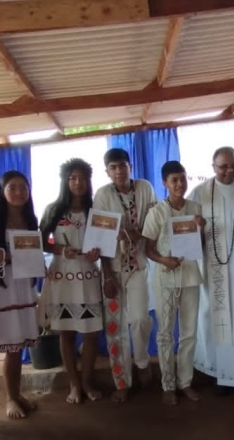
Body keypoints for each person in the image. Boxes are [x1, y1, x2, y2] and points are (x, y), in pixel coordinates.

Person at [187, 146, 234, 394]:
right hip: (213, 269)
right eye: (223, 167)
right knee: (213, 319)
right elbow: (184, 231)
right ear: (213, 167)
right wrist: (196, 228)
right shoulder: (199, 193)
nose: (229, 171)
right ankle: (217, 374)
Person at [38, 158, 104, 405]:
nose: (78, 182)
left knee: (91, 333)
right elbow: (41, 241)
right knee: (66, 333)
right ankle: (74, 385)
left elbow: (105, 242)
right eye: (73, 178)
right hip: (61, 278)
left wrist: (98, 252)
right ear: (65, 181)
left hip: (89, 277)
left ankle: (87, 381)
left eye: (83, 178)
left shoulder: (95, 210)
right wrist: (59, 249)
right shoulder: (53, 210)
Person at [93, 148, 156, 402]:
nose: (119, 171)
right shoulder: (102, 195)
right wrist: (106, 275)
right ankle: (122, 380)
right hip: (113, 268)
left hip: (139, 265)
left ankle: (142, 362)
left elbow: (153, 224)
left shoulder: (145, 188)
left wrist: (133, 233)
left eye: (123, 165)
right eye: (113, 167)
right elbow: (100, 237)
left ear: (131, 166)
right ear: (107, 171)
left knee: (140, 319)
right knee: (114, 326)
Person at [142, 161, 205, 405]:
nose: (179, 184)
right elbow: (147, 249)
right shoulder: (157, 212)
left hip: (190, 276)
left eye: (182, 178)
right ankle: (168, 384)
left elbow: (202, 245)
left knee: (189, 333)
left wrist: (202, 228)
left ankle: (185, 382)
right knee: (165, 333)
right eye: (174, 180)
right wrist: (163, 260)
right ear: (165, 184)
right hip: (165, 278)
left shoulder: (195, 208)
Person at [0, 171, 41, 419]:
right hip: (3, 287)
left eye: (23, 187)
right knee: (12, 346)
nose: (19, 192)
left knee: (20, 344)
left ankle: (17, 394)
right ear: (2, 190)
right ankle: (10, 398)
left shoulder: (31, 219)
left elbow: (33, 254)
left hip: (24, 286)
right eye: (12, 187)